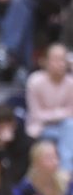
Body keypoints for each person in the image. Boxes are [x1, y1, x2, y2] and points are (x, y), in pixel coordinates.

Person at [25, 42, 73, 170]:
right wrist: (60, 113)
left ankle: (66, 172)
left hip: (65, 128)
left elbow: (71, 113)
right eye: (56, 59)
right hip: (40, 128)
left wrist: (51, 114)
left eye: (63, 59)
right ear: (45, 61)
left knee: (70, 126)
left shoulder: (71, 83)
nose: (60, 64)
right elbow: (36, 114)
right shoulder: (34, 81)